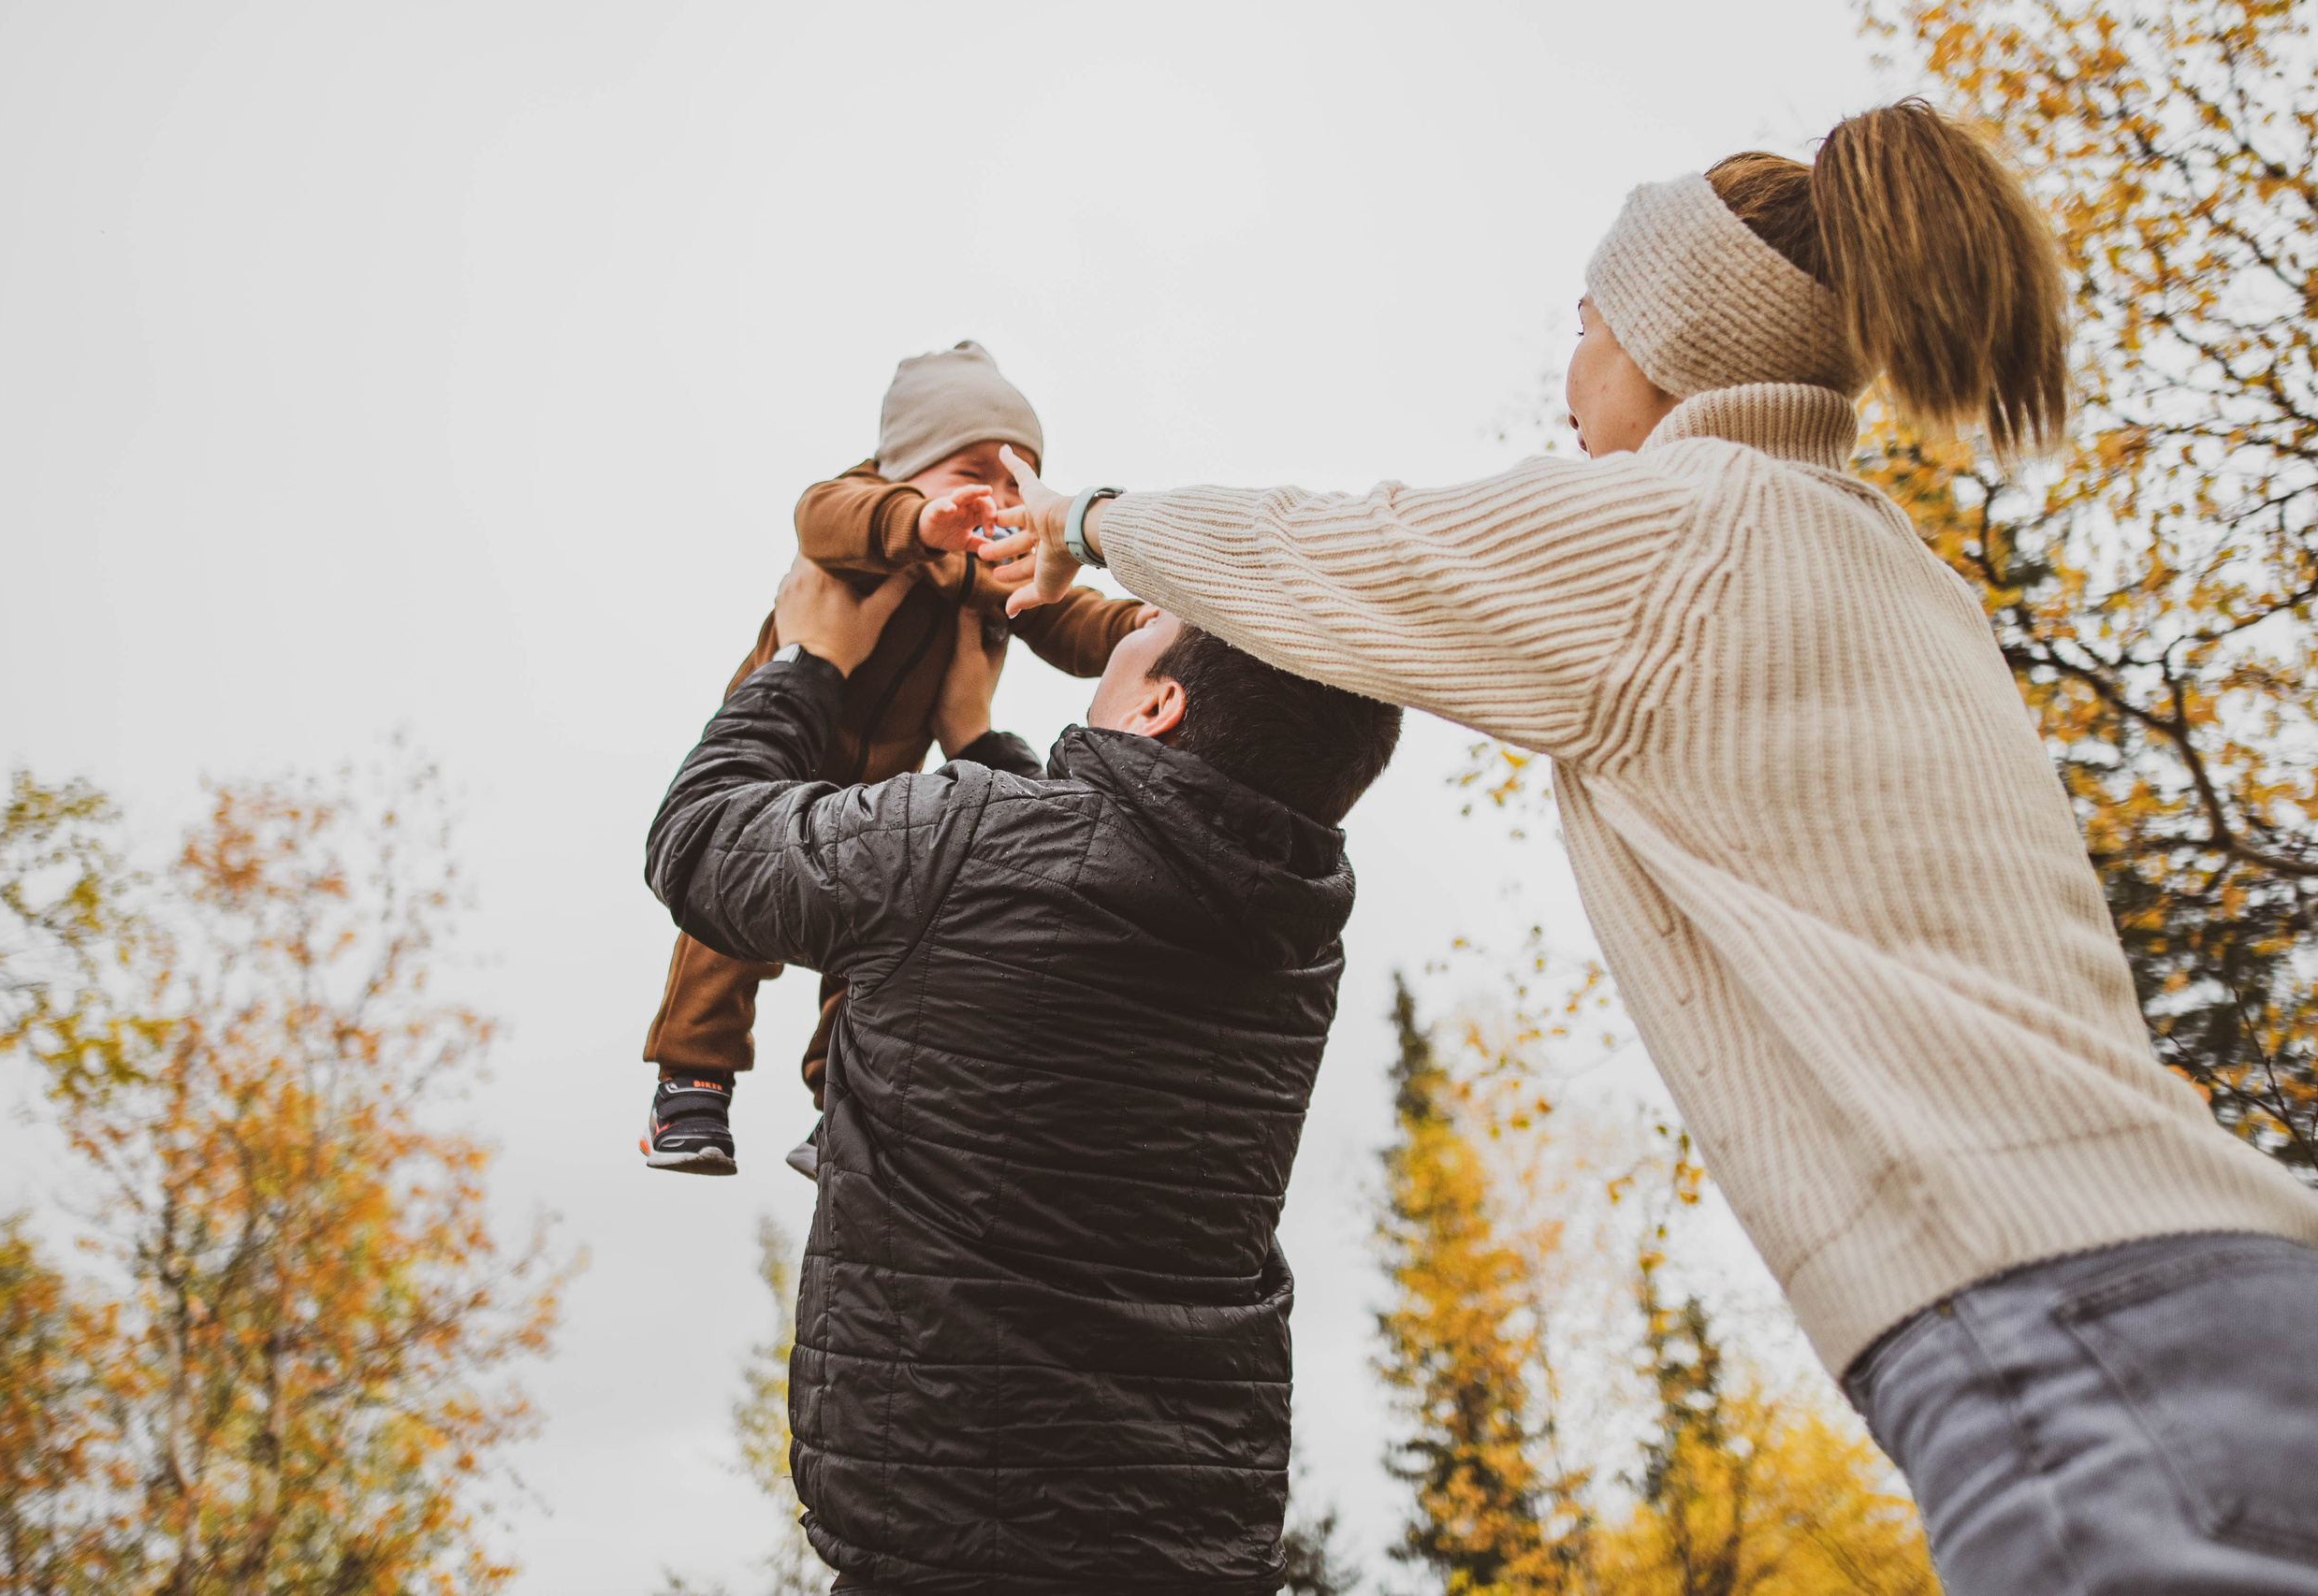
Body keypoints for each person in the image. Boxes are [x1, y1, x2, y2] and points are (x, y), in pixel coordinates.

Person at [977, 101, 2318, 1594]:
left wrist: (1085, 515)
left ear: (1672, 339)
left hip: (2057, 1316)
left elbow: (1329, 555)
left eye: (1585, 327)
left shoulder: (1677, 527)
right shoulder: (1890, 561)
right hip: (2237, 1276)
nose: (1571, 376)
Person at [644, 554, 1401, 1593]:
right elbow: (1087, 870)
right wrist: (977, 735)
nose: (1127, 628)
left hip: (957, 1538)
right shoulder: (1296, 939)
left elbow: (702, 842)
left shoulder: (966, 841)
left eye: (1145, 631)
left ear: (1159, 705)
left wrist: (803, 666)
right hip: (1189, 1531)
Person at [638, 341, 1149, 1179]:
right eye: (972, 471)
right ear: (903, 466)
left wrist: (1144, 627)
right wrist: (915, 522)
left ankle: (836, 1101)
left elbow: (1063, 615)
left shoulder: (982, 564)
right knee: (729, 923)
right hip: (782, 750)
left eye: (1016, 481)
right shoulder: (865, 510)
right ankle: (692, 1081)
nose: (996, 498)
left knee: (870, 942)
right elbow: (821, 516)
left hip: (878, 791)